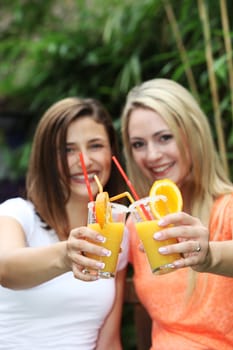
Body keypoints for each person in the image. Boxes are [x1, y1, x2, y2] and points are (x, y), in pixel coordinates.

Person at [0, 97, 128, 350]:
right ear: (46, 159)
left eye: (95, 145)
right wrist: (68, 255)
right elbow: (6, 268)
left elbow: (109, 341)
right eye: (67, 149)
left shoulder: (117, 232)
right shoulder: (16, 213)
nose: (83, 159)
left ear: (111, 153)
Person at [121, 78, 233, 349]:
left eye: (164, 137)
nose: (152, 155)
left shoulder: (227, 208)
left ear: (193, 133)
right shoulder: (138, 223)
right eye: (138, 144)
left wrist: (208, 256)